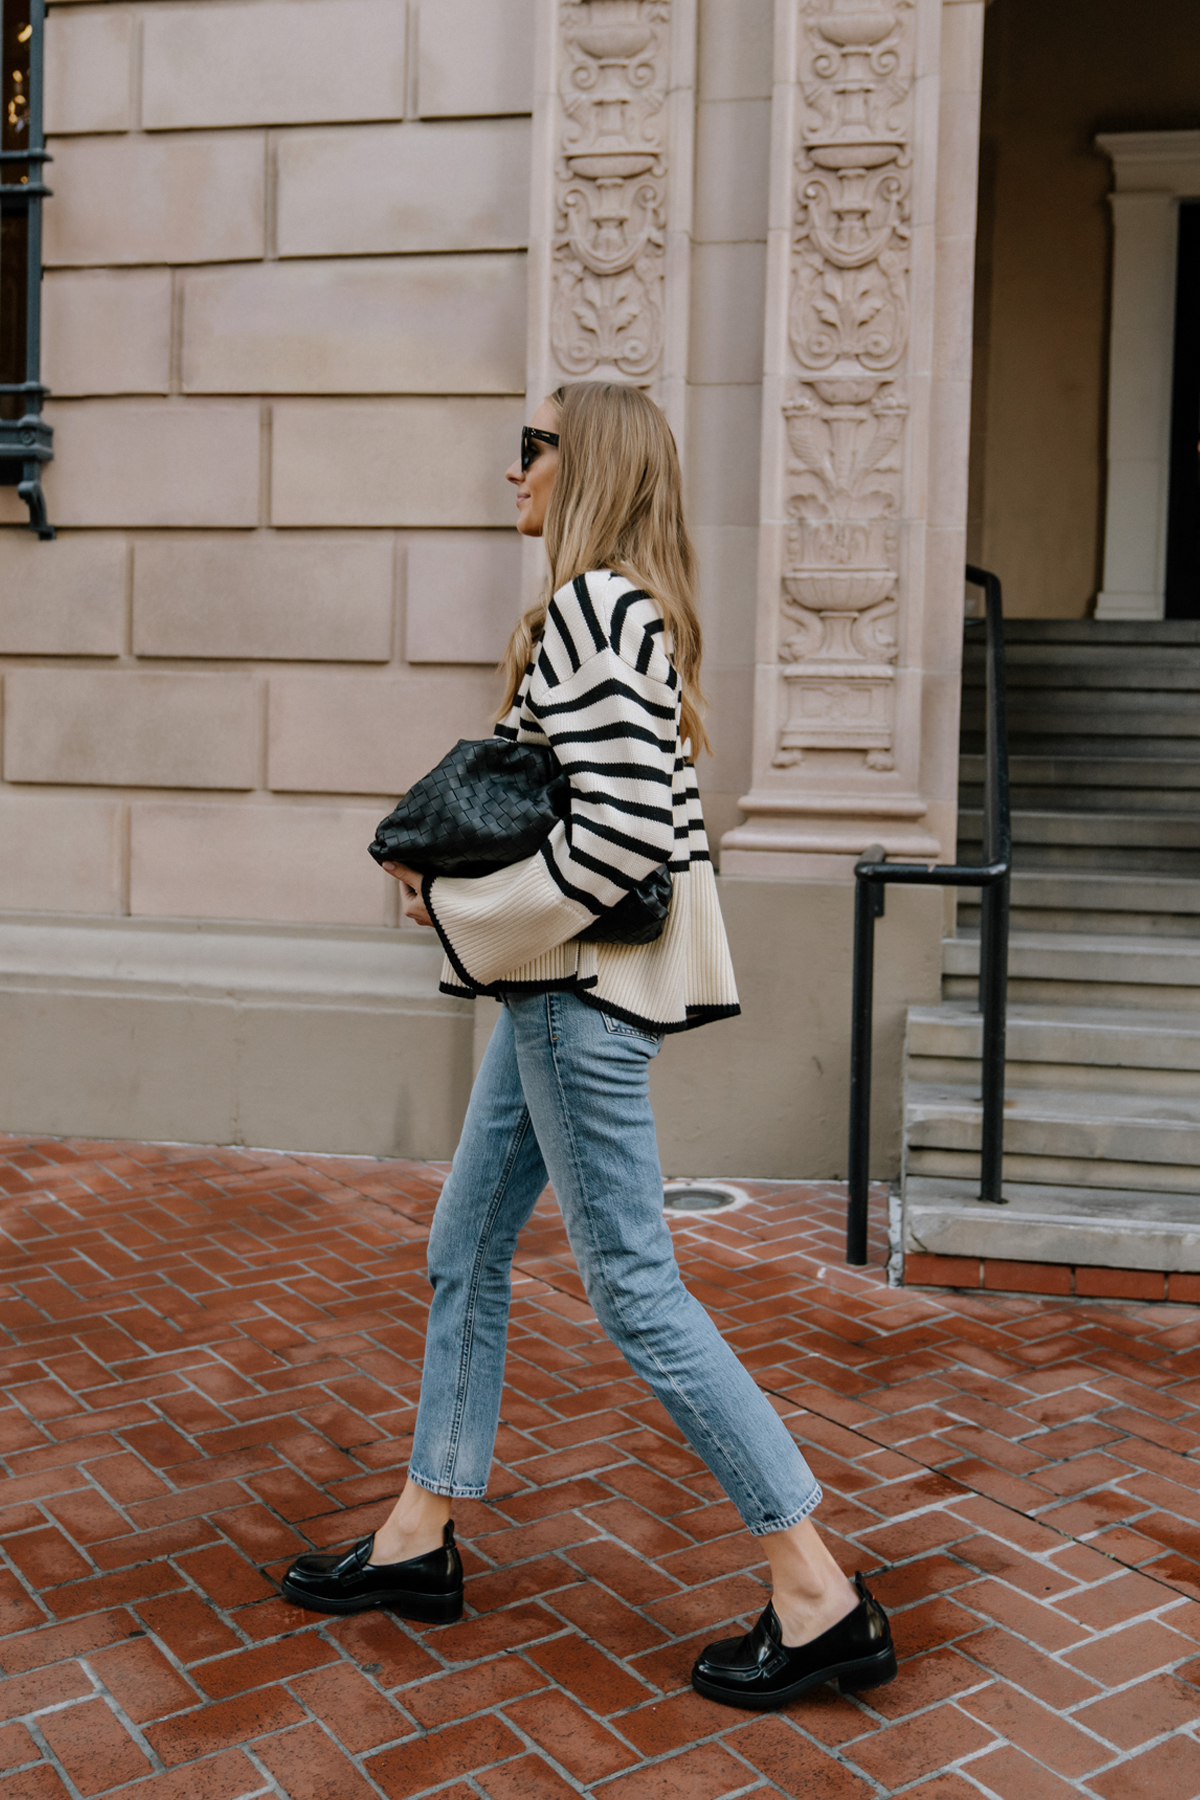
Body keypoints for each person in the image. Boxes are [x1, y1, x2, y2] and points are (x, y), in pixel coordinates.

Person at [280, 382, 895, 1710]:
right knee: (465, 1245)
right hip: (556, 991)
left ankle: (814, 1587)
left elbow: (616, 843)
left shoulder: (594, 610)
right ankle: (418, 1535)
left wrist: (462, 906)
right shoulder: (618, 610)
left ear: (586, 465)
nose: (512, 475)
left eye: (530, 452)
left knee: (631, 1283)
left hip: (573, 994)